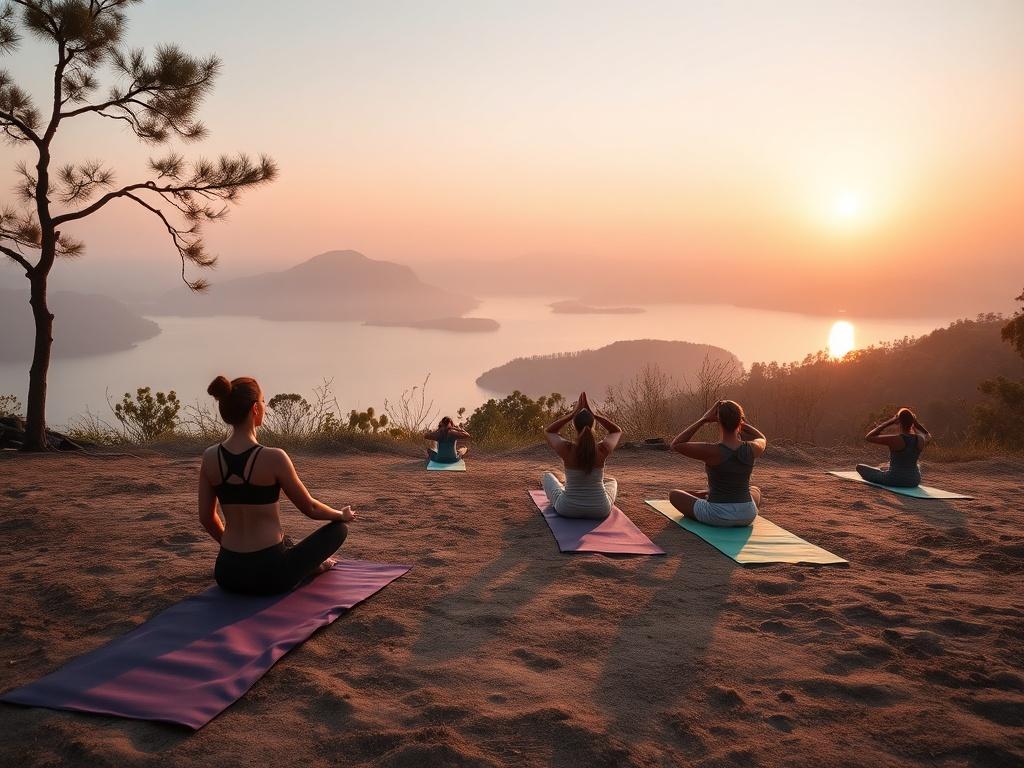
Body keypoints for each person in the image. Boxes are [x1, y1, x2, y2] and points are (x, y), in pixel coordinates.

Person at [197, 375, 356, 596]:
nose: (265, 406)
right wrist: (341, 515)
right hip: (271, 576)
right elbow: (310, 508)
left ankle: (303, 564)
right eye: (263, 401)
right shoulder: (274, 457)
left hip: (227, 573)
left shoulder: (209, 457)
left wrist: (233, 550)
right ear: (255, 409)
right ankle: (311, 568)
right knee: (339, 530)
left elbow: (207, 518)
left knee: (286, 540)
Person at [669, 400, 767, 527]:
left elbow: (676, 444)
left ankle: (707, 495)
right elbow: (762, 438)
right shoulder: (752, 448)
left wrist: (703, 420)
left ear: (718, 422)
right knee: (755, 490)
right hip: (747, 515)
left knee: (674, 495)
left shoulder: (712, 451)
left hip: (717, 515)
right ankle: (707, 494)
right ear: (740, 422)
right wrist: (741, 423)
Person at [541, 392, 622, 520]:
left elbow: (549, 431)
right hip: (600, 509)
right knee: (612, 481)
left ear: (574, 425)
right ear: (593, 425)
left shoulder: (567, 449)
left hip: (567, 509)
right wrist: (595, 415)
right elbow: (616, 431)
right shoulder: (602, 449)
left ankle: (564, 486)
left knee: (547, 476)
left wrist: (572, 414)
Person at [856, 407, 931, 487]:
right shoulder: (920, 439)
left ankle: (880, 472)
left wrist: (889, 422)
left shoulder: (896, 439)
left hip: (894, 479)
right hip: (914, 481)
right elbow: (928, 435)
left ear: (899, 422)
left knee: (859, 467)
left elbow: (869, 437)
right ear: (912, 422)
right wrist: (916, 424)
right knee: (915, 465)